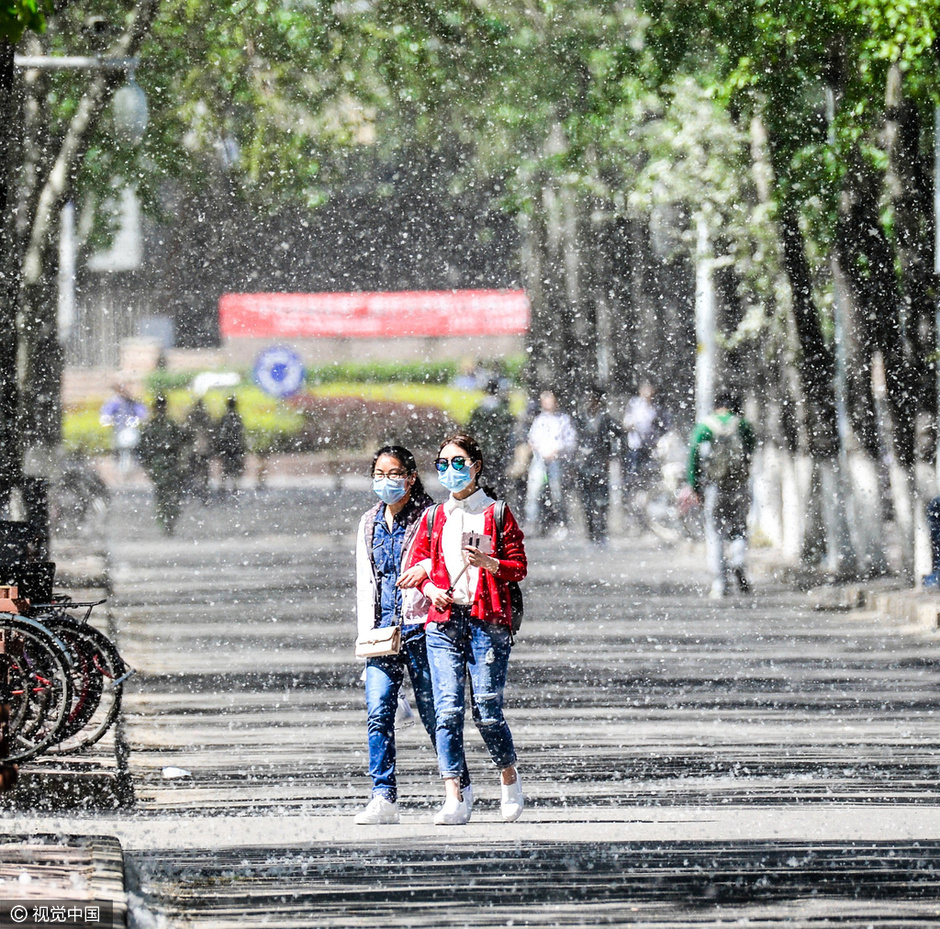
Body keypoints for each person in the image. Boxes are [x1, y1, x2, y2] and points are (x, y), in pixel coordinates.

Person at [403, 433, 527, 826]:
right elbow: (422, 563)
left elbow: (518, 567)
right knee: (447, 709)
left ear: (476, 466)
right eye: (443, 464)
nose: (450, 472)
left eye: (459, 463)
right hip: (443, 623)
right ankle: (455, 794)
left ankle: (508, 778)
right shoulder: (435, 517)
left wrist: (489, 563)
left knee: (488, 709)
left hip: (487, 621)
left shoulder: (497, 513)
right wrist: (430, 587)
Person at [353, 445, 472, 825]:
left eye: (394, 474)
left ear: (410, 476)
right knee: (378, 712)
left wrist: (423, 568)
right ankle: (383, 796)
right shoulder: (369, 522)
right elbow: (365, 584)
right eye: (379, 475)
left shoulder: (430, 516)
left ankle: (458, 789)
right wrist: (364, 638)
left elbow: (446, 559)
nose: (386, 482)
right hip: (382, 632)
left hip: (423, 627)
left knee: (435, 713)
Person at [686, 392, 757, 599]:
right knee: (739, 529)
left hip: (714, 487)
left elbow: (693, 457)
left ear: (717, 406)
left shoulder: (705, 426)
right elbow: (751, 452)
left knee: (715, 532)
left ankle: (720, 583)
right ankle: (737, 561)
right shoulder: (742, 425)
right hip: (739, 486)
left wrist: (695, 486)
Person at [574, 385, 623, 545]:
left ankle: (601, 532)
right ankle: (591, 533)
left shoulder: (606, 420)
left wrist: (612, 456)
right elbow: (574, 441)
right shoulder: (580, 420)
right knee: (586, 501)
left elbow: (621, 435)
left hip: (601, 465)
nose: (591, 403)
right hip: (584, 465)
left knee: (602, 500)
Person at [525, 390, 577, 537]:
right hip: (540, 460)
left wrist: (557, 451)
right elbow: (532, 439)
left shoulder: (563, 420)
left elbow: (570, 441)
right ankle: (532, 523)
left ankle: (561, 523)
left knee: (557, 493)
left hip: (556, 461)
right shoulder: (539, 420)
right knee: (534, 492)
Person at [621, 381, 670, 524]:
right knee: (633, 481)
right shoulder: (634, 405)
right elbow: (626, 423)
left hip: (652, 448)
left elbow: (664, 425)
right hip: (636, 447)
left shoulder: (657, 408)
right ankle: (632, 514)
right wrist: (634, 426)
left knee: (649, 480)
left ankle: (648, 515)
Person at [137, 395, 187, 535]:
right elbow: (184, 441)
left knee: (163, 496)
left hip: (160, 465)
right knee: (170, 496)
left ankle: (165, 521)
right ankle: (168, 521)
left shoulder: (153, 426)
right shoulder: (170, 425)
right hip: (168, 465)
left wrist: (147, 465)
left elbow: (142, 449)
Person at [467, 378, 515, 502]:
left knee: (482, 479)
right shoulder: (503, 410)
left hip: (482, 451)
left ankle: (484, 503)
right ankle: (499, 504)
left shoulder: (479, 410)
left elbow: (471, 430)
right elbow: (508, 432)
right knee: (499, 481)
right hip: (499, 451)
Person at [99, 384, 147, 478]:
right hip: (120, 430)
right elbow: (106, 413)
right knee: (118, 448)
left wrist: (139, 419)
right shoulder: (115, 402)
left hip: (129, 430)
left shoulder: (132, 403)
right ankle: (121, 467)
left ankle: (132, 466)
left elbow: (142, 413)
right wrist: (107, 419)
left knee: (133, 449)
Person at [184, 399, 214, 504]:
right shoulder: (205, 418)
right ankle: (203, 494)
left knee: (193, 472)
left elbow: (186, 433)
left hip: (195, 449)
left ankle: (192, 493)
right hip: (202, 449)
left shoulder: (191, 417)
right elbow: (210, 432)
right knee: (203, 473)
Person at [215, 396, 247, 496]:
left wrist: (219, 446)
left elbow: (220, 433)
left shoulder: (224, 418)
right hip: (235, 448)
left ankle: (224, 487)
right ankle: (234, 488)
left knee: (225, 468)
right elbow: (240, 434)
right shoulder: (237, 418)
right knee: (235, 469)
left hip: (227, 448)